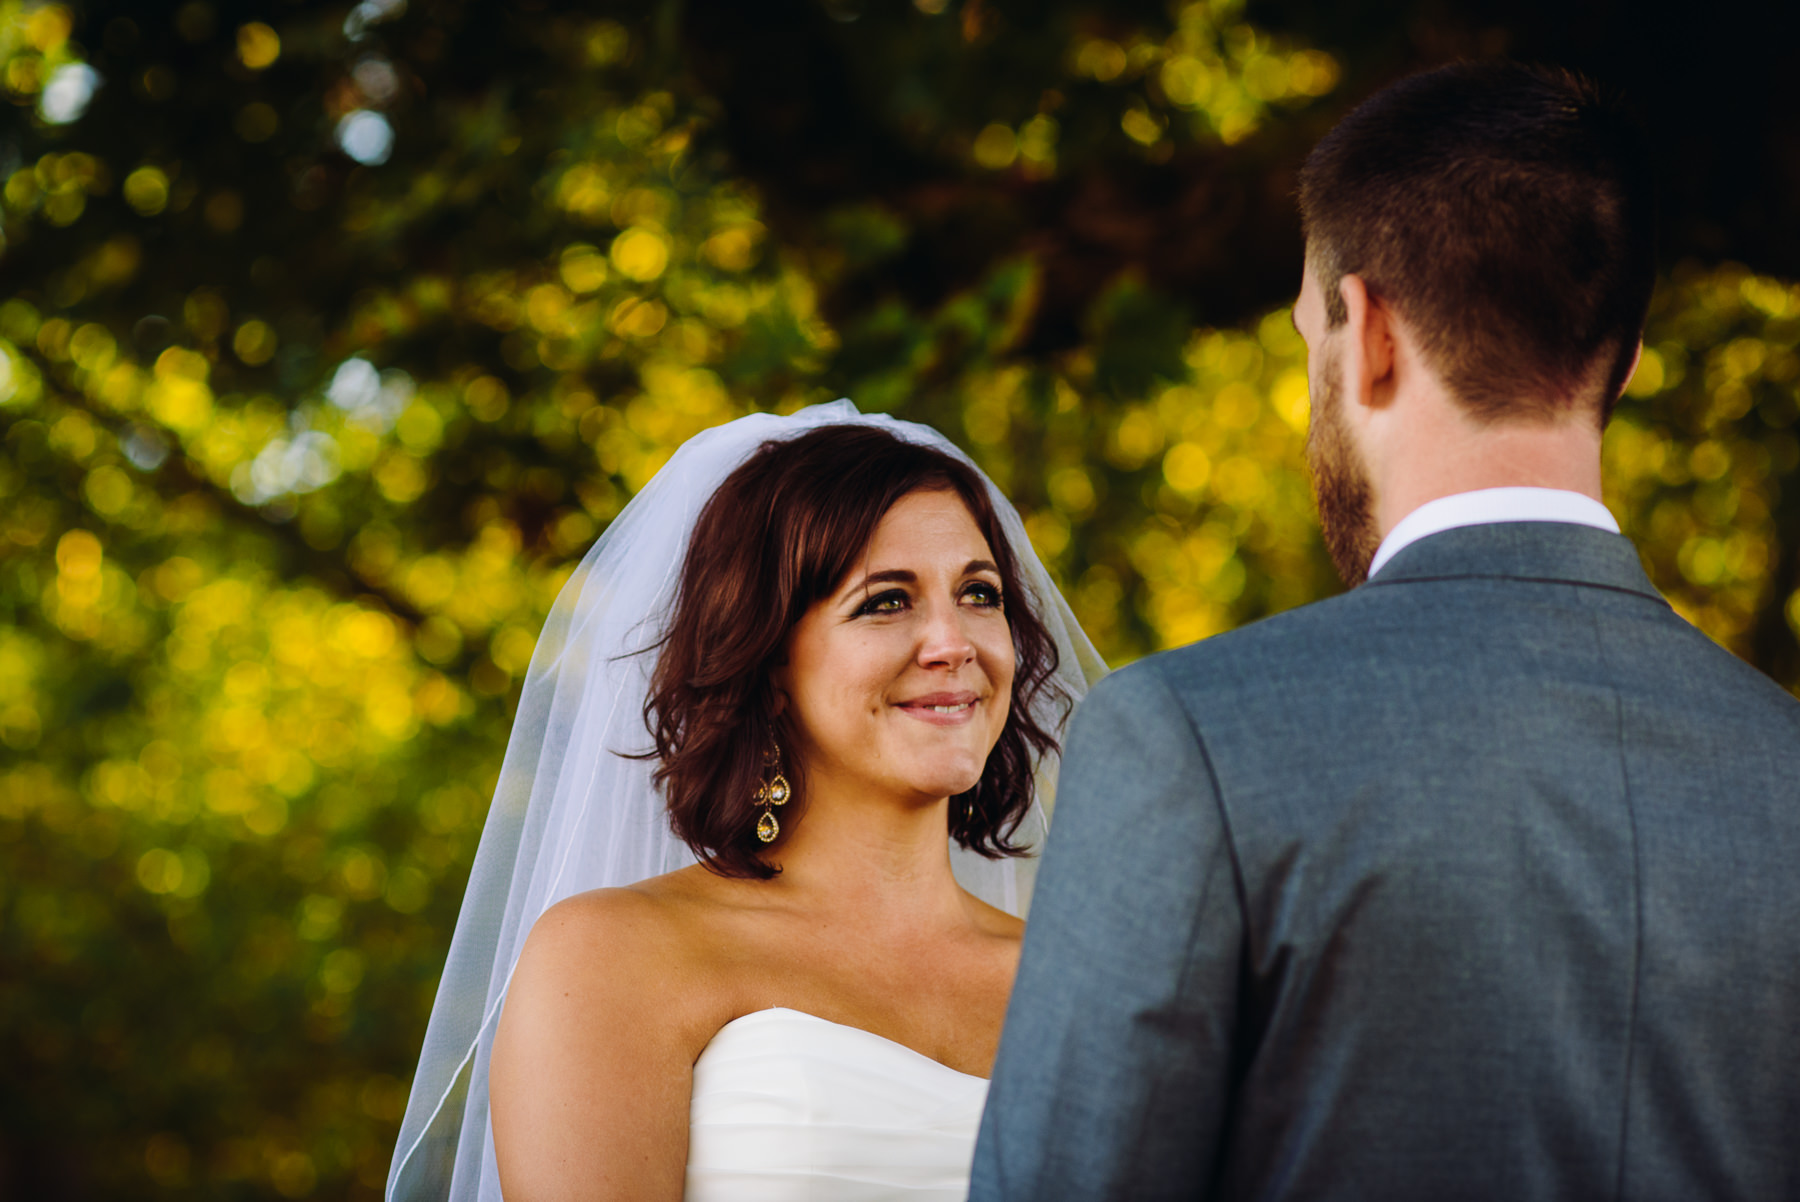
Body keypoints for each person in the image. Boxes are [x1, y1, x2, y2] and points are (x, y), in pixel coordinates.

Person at [972, 62, 1800, 1200]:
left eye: (1307, 326)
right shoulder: (1784, 764)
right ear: (1627, 353)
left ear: (1364, 330)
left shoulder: (1189, 739)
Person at [385, 401, 1105, 1201]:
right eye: (886, 601)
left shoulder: (1083, 984)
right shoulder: (613, 955)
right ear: (768, 661)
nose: (954, 643)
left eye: (980, 594)